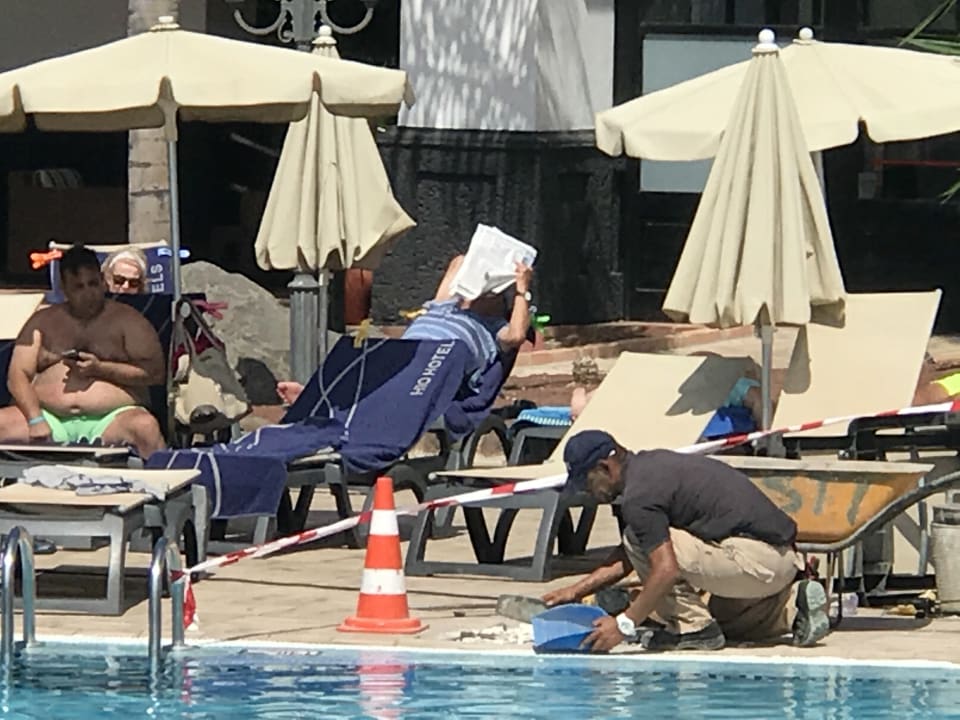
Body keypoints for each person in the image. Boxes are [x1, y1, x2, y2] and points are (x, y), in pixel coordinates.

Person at [543, 430, 830, 653]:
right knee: (721, 619)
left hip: (754, 558)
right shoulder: (652, 466)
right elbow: (629, 556)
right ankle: (791, 608)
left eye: (587, 483)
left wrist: (624, 624)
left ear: (605, 468)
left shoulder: (638, 498)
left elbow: (665, 569)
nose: (589, 493)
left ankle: (694, 629)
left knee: (648, 553)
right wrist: (576, 590)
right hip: (781, 562)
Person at [275, 254, 534, 406]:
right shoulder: (444, 305)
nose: (484, 294)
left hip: (440, 360)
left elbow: (516, 335)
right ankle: (318, 398)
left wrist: (521, 288)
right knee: (362, 355)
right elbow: (460, 261)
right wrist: (486, 261)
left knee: (396, 376)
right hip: (404, 352)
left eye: (494, 294)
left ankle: (320, 402)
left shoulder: (492, 328)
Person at [0, 245, 166, 458]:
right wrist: (35, 419)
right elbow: (17, 376)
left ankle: (163, 477)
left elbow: (155, 373)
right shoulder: (42, 322)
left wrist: (102, 369)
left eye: (93, 284)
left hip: (113, 418)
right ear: (64, 289)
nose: (88, 294)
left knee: (146, 427)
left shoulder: (129, 321)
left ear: (103, 281)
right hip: (48, 417)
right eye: (78, 287)